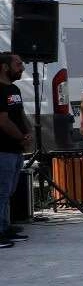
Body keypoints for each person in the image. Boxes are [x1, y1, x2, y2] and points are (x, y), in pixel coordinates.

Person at [0, 52, 32, 249]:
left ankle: (5, 226)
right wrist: (20, 137)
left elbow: (19, 113)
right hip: (3, 149)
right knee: (1, 192)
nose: (22, 68)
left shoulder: (14, 89)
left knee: (9, 191)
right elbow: (2, 120)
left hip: (15, 149)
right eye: (18, 64)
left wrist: (28, 133)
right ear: (4, 67)